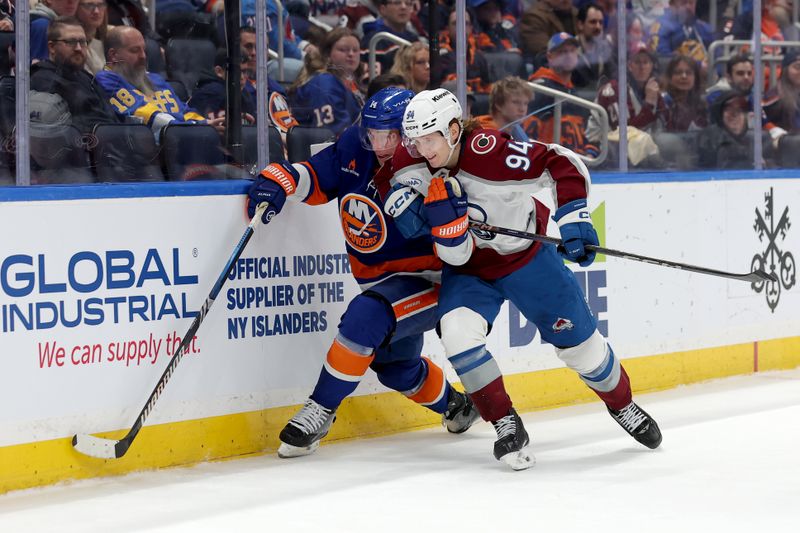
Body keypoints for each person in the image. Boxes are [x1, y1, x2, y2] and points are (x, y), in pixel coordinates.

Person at [384, 88, 662, 469]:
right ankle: (505, 424)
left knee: (582, 349)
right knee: (457, 334)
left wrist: (574, 217)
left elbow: (560, 162)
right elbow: (438, 235)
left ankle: (623, 405)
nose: (420, 149)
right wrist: (418, 216)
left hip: (527, 261)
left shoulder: (490, 153)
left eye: (429, 139)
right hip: (469, 272)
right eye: (414, 141)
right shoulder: (409, 161)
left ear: (452, 129)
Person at [246, 88, 480, 458]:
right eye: (373, 134)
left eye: (390, 136)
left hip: (435, 280)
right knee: (396, 367)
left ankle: (320, 409)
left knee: (365, 318)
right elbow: (316, 178)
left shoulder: (434, 161)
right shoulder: (355, 147)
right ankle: (457, 406)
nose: (381, 145)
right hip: (381, 282)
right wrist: (282, 179)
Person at [95, 26, 224, 138]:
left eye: (144, 50)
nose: (143, 56)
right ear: (113, 55)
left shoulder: (155, 78)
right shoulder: (106, 80)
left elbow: (184, 111)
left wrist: (207, 124)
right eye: (135, 50)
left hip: (181, 141)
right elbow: (149, 116)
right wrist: (197, 126)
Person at [30, 16, 123, 134]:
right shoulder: (43, 81)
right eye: (71, 42)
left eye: (83, 42)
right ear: (52, 47)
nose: (79, 48)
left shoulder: (86, 77)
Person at [526, 32, 598, 157]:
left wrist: (589, 154)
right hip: (550, 166)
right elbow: (527, 138)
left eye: (572, 51)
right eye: (562, 52)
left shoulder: (573, 93)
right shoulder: (539, 90)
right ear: (550, 57)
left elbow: (587, 135)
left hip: (578, 165)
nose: (569, 55)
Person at [288, 27, 365, 135]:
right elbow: (332, 133)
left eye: (355, 50)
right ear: (327, 54)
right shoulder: (324, 83)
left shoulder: (353, 84)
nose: (351, 54)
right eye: (343, 49)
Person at [360, 0, 421, 75]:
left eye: (408, 3)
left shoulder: (414, 39)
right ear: (383, 9)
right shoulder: (373, 40)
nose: (403, 7)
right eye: (397, 3)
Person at [649, 0, 712, 66]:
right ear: (672, 5)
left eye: (691, 3)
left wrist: (713, 69)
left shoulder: (702, 27)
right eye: (683, 3)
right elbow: (662, 59)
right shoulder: (661, 26)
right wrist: (698, 66)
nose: (688, 7)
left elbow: (717, 55)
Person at [475, 76, 533, 140]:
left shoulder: (515, 128)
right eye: (516, 102)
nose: (522, 109)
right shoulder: (485, 135)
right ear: (498, 104)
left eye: (525, 103)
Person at [572, 2, 614, 89]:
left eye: (601, 22)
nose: (598, 27)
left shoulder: (607, 49)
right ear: (580, 25)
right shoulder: (570, 49)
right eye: (593, 22)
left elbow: (614, 76)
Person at [661, 54, 708, 132]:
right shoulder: (663, 102)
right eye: (678, 72)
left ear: (695, 78)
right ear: (670, 77)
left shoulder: (702, 102)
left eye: (689, 73)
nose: (684, 76)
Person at [75, 0, 108, 74]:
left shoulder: (106, 41)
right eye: (89, 5)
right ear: (76, 7)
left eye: (100, 5)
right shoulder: (71, 46)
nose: (96, 11)